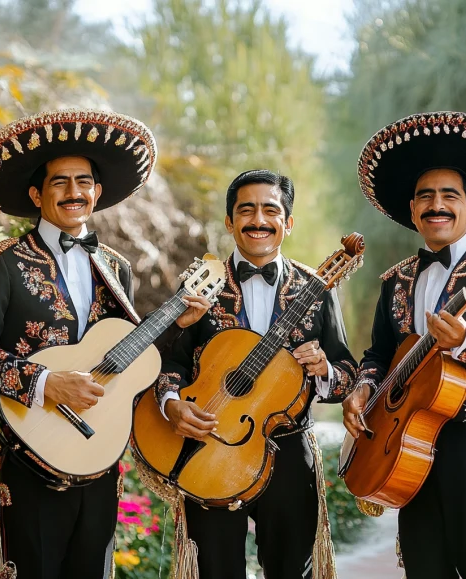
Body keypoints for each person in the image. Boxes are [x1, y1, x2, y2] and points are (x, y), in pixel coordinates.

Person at [0, 110, 209, 579]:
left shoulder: (116, 267)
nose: (73, 192)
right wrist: (46, 382)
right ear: (37, 195)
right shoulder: (4, 263)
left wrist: (175, 326)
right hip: (29, 450)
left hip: (98, 453)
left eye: (83, 181)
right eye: (59, 182)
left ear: (97, 192)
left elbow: (125, 353)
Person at [343, 112, 466, 579]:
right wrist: (363, 388)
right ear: (413, 210)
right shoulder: (395, 280)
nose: (437, 205)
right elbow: (379, 354)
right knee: (424, 566)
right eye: (425, 196)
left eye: (449, 196)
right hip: (406, 445)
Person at [153, 169, 358, 579]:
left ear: (288, 222)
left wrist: (324, 370)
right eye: (246, 210)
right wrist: (172, 404)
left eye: (270, 210)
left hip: (289, 451)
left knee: (291, 570)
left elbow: (347, 372)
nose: (258, 220)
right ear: (229, 222)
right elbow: (167, 359)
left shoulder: (317, 288)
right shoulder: (200, 284)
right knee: (215, 569)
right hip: (210, 447)